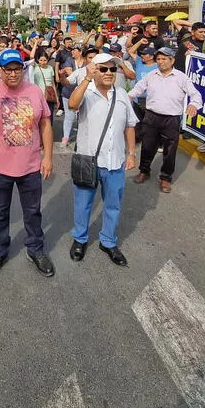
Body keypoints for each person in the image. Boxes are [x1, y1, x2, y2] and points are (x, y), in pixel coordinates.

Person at [0, 49, 54, 279]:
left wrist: (48, 157)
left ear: (23, 70)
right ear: (1, 70)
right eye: (8, 69)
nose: (13, 74)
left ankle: (35, 249)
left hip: (30, 166)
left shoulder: (34, 91)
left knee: (33, 212)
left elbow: (45, 124)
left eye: (18, 69)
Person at [68, 52, 137, 266]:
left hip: (115, 159)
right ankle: (80, 239)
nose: (109, 73)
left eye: (112, 69)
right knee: (83, 204)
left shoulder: (122, 95)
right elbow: (72, 104)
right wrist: (86, 78)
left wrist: (132, 153)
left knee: (113, 204)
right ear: (94, 70)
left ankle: (108, 241)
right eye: (104, 69)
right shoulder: (85, 91)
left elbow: (130, 125)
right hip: (89, 160)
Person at [127, 47, 202, 193]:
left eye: (164, 59)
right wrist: (126, 98)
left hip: (171, 119)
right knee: (147, 146)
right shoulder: (151, 75)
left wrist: (193, 104)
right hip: (151, 116)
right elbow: (137, 89)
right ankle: (144, 171)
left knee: (170, 150)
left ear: (172, 60)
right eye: (159, 59)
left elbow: (195, 95)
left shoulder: (181, 77)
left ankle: (166, 178)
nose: (161, 62)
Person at [31, 49, 58, 121]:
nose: (43, 62)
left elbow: (53, 84)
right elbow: (31, 57)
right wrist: (35, 44)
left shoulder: (50, 68)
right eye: (41, 60)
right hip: (38, 97)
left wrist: (56, 98)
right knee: (39, 117)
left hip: (49, 96)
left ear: (48, 60)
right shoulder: (35, 67)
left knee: (49, 116)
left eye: (45, 60)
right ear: (37, 60)